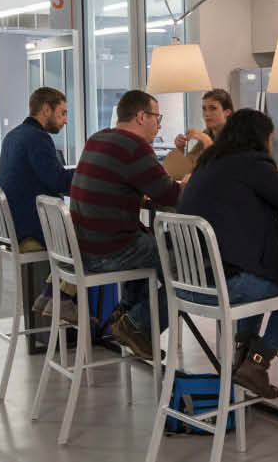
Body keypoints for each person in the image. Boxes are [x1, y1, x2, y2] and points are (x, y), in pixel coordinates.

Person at [177, 109, 278, 398]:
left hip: (188, 284)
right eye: (271, 139)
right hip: (226, 285)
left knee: (255, 266)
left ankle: (243, 356)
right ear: (261, 139)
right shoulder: (253, 164)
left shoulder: (208, 163)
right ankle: (258, 361)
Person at [70, 90, 183, 360]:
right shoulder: (135, 147)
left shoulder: (97, 139)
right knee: (190, 262)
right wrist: (191, 185)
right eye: (157, 118)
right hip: (108, 253)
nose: (159, 125)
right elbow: (169, 196)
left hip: (83, 248)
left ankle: (127, 313)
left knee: (148, 243)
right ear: (141, 116)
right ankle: (138, 325)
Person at [0, 88, 79, 317]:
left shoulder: (13, 136)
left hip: (13, 228)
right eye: (62, 113)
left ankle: (52, 295)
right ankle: (62, 298)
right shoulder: (39, 138)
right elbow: (57, 180)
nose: (65, 120)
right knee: (89, 238)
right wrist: (91, 176)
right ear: (46, 110)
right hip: (32, 231)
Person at [172, 88, 235, 155]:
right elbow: (190, 163)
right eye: (204, 109)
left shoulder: (237, 138)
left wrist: (207, 142)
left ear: (227, 112)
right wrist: (180, 148)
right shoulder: (206, 133)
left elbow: (224, 164)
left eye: (213, 108)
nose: (206, 114)